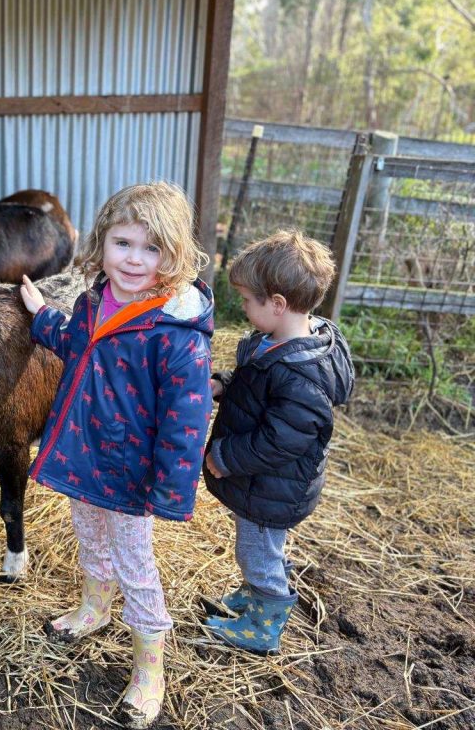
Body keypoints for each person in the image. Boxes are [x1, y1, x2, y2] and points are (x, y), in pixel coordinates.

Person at [19, 182, 214, 729]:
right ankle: (94, 608)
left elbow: (187, 420)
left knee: (136, 565)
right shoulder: (92, 302)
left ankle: (150, 664)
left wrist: (171, 490)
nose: (134, 259)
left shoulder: (177, 332)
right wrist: (40, 316)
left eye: (151, 248)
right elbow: (76, 342)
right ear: (101, 243)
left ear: (175, 254)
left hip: (132, 475)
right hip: (86, 456)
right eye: (123, 242)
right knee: (88, 535)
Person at [202, 230, 354, 654]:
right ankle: (257, 596)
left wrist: (225, 456)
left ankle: (265, 624)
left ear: (278, 304)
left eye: (248, 301)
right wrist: (225, 384)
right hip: (267, 484)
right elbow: (258, 391)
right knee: (262, 548)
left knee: (257, 553)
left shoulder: (301, 376)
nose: (243, 308)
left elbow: (280, 440)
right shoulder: (279, 344)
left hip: (273, 487)